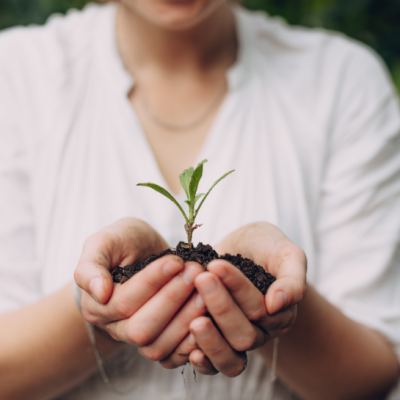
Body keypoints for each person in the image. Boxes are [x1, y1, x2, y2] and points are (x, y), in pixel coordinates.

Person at [0, 0, 399, 399]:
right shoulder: (17, 75)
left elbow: (374, 376)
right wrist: (98, 308)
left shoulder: (341, 81)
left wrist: (278, 301)